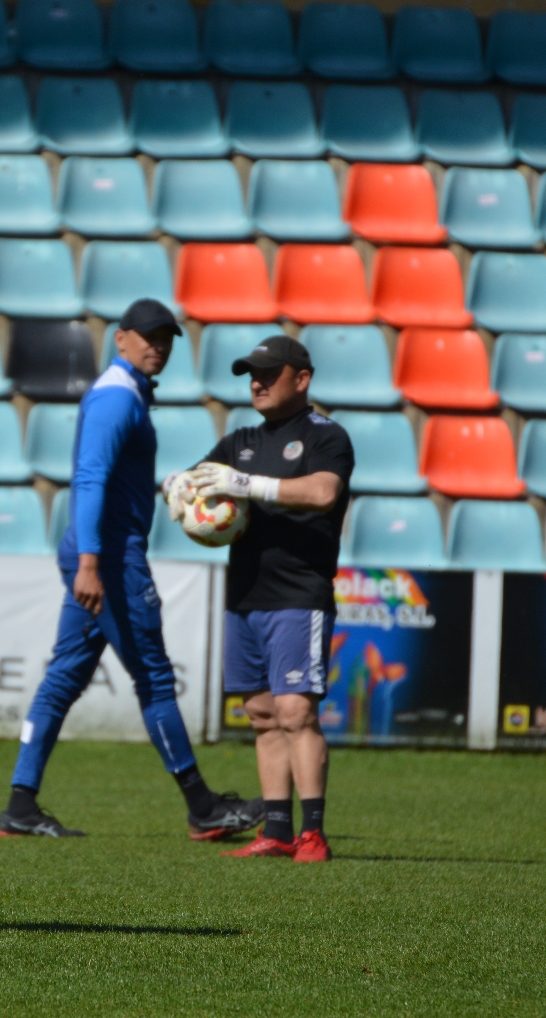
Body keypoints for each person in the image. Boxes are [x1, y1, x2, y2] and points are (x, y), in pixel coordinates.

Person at [0, 299, 265, 841]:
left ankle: (19, 806)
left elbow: (109, 476)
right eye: (148, 336)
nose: (158, 346)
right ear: (120, 339)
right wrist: (91, 563)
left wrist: (162, 486)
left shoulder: (127, 393)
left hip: (99, 552)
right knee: (155, 678)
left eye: (166, 338)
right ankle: (202, 807)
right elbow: (90, 478)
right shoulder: (118, 397)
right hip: (110, 559)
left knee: (64, 678)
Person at [165, 335, 353, 863]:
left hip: (299, 593)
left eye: (269, 373)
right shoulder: (240, 441)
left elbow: (323, 493)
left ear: (302, 378)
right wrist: (176, 487)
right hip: (245, 595)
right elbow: (194, 483)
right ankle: (276, 830)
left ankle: (312, 834)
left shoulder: (326, 436)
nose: (257, 382)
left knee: (296, 712)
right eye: (252, 374)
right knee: (263, 715)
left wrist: (246, 485)